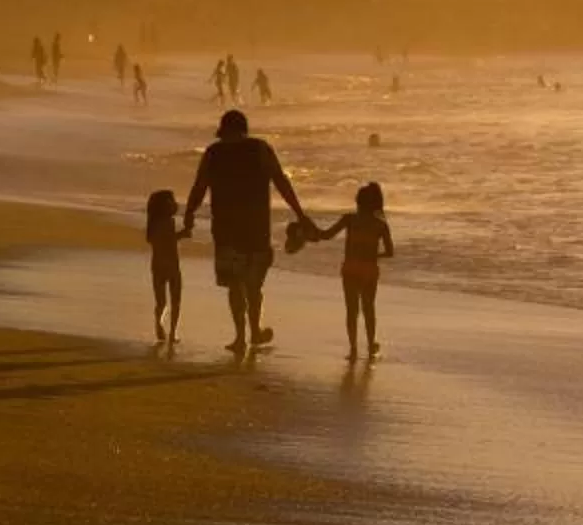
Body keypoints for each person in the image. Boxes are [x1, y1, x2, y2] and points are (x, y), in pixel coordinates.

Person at [181, 108, 310, 354]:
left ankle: (240, 336)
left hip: (226, 231)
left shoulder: (213, 153)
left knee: (234, 285)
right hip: (257, 230)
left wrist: (189, 214)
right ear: (244, 128)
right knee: (253, 286)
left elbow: (199, 186)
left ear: (223, 129)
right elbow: (281, 181)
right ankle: (255, 331)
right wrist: (300, 214)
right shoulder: (260, 149)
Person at [310, 182, 396, 360]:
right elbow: (390, 252)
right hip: (369, 269)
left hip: (350, 267)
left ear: (358, 201)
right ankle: (371, 345)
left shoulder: (349, 219)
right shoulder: (380, 225)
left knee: (351, 310)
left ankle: (353, 349)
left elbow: (326, 235)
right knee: (368, 308)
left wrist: (309, 229)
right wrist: (374, 255)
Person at [143, 189, 184, 345]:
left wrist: (179, 235)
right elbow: (168, 241)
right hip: (171, 265)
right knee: (174, 300)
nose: (175, 204)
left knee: (163, 302)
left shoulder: (155, 223)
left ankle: (163, 326)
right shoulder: (165, 222)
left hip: (159, 265)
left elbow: (160, 241)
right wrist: (182, 235)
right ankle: (171, 331)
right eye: (171, 201)